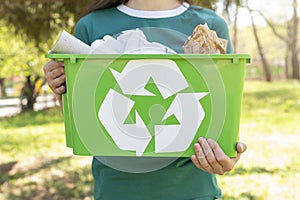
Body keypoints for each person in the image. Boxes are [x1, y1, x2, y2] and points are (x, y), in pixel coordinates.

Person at [43, 0, 247, 199]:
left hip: (193, 191)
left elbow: (222, 120)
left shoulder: (210, 25)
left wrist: (225, 157)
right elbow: (84, 122)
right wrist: (62, 86)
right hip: (117, 191)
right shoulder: (92, 26)